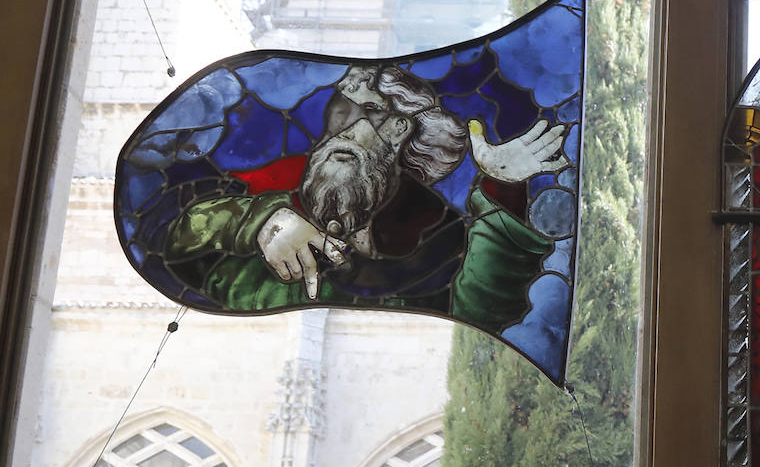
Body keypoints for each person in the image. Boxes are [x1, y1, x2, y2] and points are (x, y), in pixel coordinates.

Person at [162, 65, 570, 334]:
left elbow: (484, 312)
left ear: (407, 143)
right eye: (342, 113)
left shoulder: (437, 244)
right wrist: (257, 222)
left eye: (376, 119)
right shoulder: (265, 190)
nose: (352, 131)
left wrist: (503, 187)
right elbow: (174, 242)